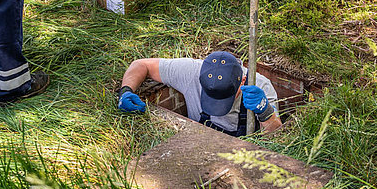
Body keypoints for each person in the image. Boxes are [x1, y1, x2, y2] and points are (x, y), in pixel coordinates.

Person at [116, 51, 282, 135]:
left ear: (243, 81)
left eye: (224, 98)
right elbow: (141, 65)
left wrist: (266, 113)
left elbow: (275, 139)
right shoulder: (192, 72)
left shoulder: (261, 88)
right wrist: (125, 91)